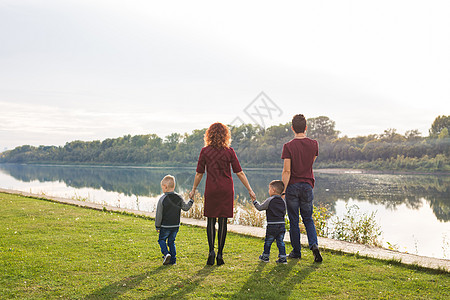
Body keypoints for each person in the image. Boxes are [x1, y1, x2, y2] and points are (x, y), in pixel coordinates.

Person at [189, 122, 256, 266]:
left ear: (209, 135)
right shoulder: (229, 151)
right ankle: (220, 254)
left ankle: (211, 252)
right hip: (226, 189)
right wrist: (250, 189)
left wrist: (194, 189)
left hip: (212, 189)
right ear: (226, 135)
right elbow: (240, 172)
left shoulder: (205, 151)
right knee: (223, 221)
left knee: (211, 221)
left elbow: (199, 173)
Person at [281, 114, 323, 262]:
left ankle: (296, 252)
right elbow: (310, 163)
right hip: (307, 186)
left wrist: (283, 190)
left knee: (293, 220)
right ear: (306, 128)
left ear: (292, 128)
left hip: (292, 187)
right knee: (308, 219)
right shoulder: (314, 145)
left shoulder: (288, 146)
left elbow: (287, 171)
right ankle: (314, 245)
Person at [155, 175, 194, 265]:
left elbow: (159, 214)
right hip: (175, 225)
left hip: (165, 226)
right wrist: (191, 200)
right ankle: (173, 261)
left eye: (162, 188)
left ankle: (166, 254)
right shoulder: (179, 197)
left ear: (165, 187)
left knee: (161, 240)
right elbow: (186, 208)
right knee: (171, 242)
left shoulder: (162, 199)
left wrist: (157, 226)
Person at [253, 180, 287, 264]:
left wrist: (254, 201)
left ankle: (265, 257)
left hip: (272, 226)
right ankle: (283, 258)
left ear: (273, 190)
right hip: (282, 225)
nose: (269, 191)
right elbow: (284, 212)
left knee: (268, 241)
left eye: (269, 189)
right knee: (280, 242)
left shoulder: (270, 200)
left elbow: (260, 208)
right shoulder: (283, 201)